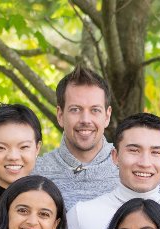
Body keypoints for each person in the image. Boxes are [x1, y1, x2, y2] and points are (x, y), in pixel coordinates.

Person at [33, 67, 117, 205]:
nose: (85, 120)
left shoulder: (130, 167)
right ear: (60, 115)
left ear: (107, 116)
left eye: (95, 110)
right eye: (75, 110)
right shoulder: (36, 172)